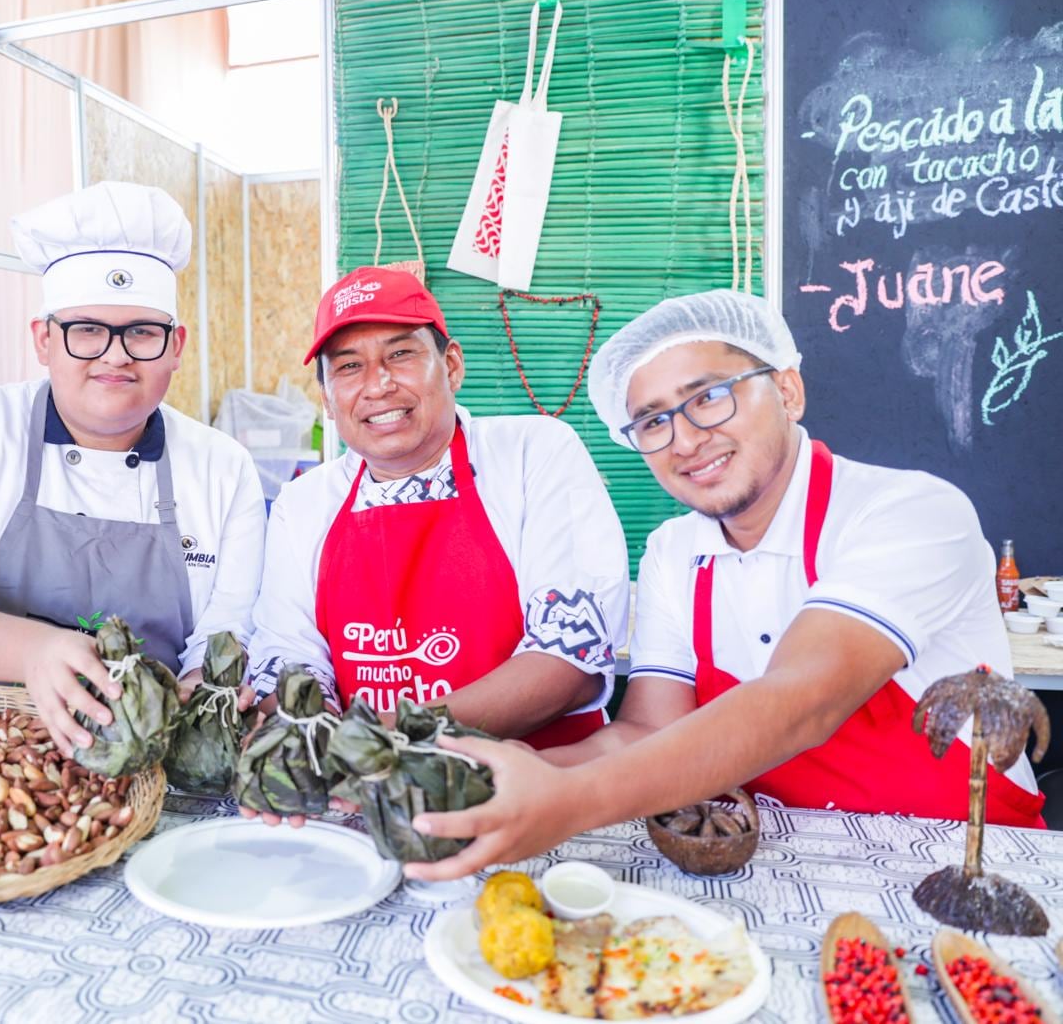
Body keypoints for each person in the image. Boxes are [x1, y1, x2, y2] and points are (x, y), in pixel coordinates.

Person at [404, 289, 1044, 882]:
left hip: (964, 868)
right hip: (772, 866)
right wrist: (487, 779)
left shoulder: (911, 511)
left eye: (710, 396)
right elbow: (644, 732)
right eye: (652, 422)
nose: (684, 439)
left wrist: (569, 801)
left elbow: (803, 699)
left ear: (788, 391)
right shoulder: (674, 552)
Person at [0, 181, 266, 753]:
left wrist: (193, 695)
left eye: (143, 333)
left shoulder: (223, 469)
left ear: (176, 346)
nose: (115, 355)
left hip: (150, 753)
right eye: (86, 330)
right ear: (44, 340)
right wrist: (33, 651)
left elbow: (227, 631)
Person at [246, 266, 629, 745]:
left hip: (542, 788)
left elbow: (569, 654)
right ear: (326, 397)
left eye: (401, 354)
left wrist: (371, 739)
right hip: (367, 793)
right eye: (348, 366)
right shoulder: (303, 502)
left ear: (451, 365)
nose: (377, 384)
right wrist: (309, 727)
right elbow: (287, 650)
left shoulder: (534, 453)